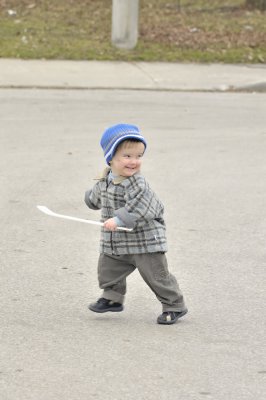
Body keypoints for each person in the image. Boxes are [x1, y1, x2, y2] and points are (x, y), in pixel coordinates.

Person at [85, 123, 187, 325]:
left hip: (145, 242)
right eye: (128, 156)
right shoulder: (105, 180)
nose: (134, 161)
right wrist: (89, 199)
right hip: (117, 241)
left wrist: (119, 219)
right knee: (108, 268)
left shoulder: (138, 183)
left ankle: (174, 305)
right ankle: (112, 298)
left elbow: (142, 207)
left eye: (138, 156)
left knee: (157, 276)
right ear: (111, 158)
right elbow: (96, 198)